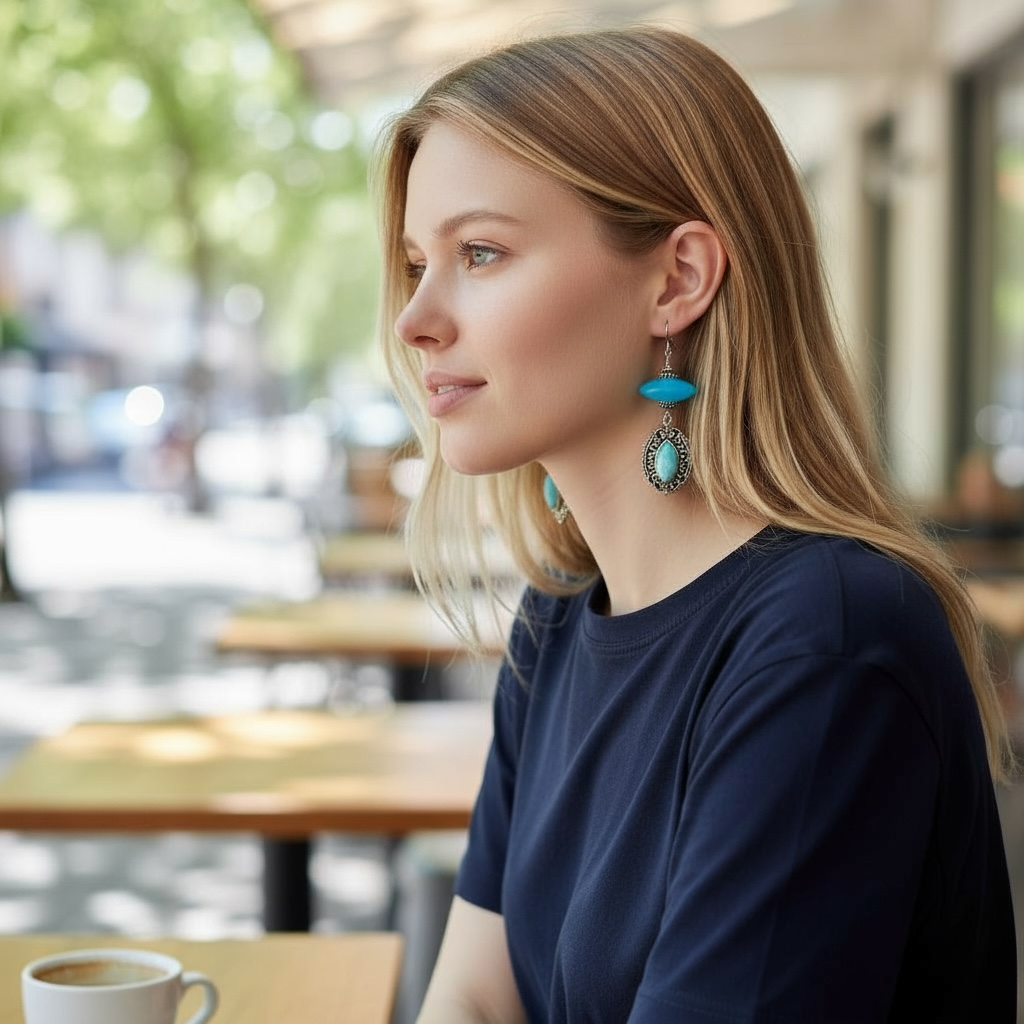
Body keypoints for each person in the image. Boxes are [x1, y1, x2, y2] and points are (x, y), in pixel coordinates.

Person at [373, 25, 1017, 1024]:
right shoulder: (555, 620)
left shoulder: (826, 640)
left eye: (480, 252)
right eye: (418, 261)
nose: (416, 316)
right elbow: (473, 996)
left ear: (676, 280)